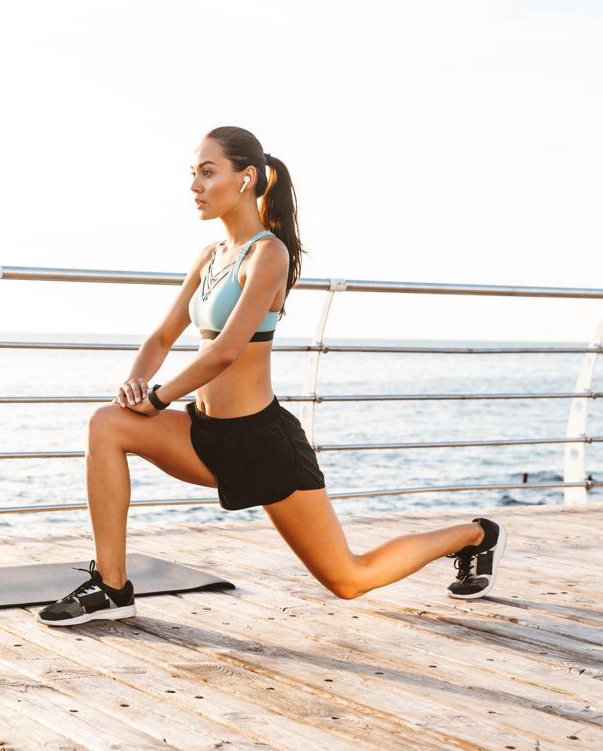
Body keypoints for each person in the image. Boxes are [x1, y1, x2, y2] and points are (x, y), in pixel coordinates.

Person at [39, 126, 508, 626]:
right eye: (192, 174)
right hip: (204, 433)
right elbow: (161, 338)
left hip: (263, 445)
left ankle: (476, 535)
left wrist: (155, 401)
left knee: (348, 579)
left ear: (245, 179)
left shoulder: (269, 255)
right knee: (107, 423)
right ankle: (112, 587)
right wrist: (134, 384)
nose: (194, 185)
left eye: (207, 171)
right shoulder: (209, 257)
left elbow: (225, 351)